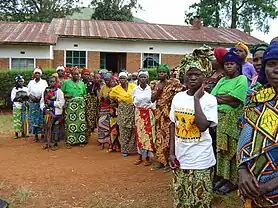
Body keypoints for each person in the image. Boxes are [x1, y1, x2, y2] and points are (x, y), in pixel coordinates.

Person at [169, 53, 218, 208]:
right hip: (181, 158)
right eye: (189, 74)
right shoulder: (178, 98)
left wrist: (196, 100)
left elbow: (203, 126)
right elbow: (173, 124)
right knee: (182, 200)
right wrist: (171, 153)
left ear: (204, 77)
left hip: (201, 160)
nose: (193, 78)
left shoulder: (210, 100)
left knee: (201, 201)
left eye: (197, 74)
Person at [237, 42, 278, 208]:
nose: (276, 70)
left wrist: (267, 186)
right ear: (264, 69)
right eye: (271, 64)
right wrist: (242, 171)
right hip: (250, 187)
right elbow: (243, 137)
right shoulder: (254, 99)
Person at [211, 52, 248, 194]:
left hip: (232, 120)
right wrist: (227, 97)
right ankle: (223, 177)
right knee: (221, 150)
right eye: (226, 64)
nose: (229, 66)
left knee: (232, 150)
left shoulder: (242, 79)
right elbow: (212, 97)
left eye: (232, 64)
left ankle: (233, 181)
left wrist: (220, 98)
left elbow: (236, 101)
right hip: (219, 119)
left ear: (237, 66)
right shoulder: (221, 81)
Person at [151, 64, 184, 171]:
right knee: (159, 137)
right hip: (159, 114)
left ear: (167, 74)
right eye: (159, 72)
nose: (161, 74)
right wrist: (158, 91)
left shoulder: (173, 83)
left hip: (169, 114)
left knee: (170, 137)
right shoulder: (155, 84)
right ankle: (161, 161)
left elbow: (183, 90)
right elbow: (152, 99)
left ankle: (170, 161)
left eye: (163, 72)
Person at [110, 71, 137, 157]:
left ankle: (132, 149)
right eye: (121, 78)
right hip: (122, 111)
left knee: (132, 129)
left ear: (127, 79)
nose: (122, 80)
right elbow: (111, 98)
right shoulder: (115, 89)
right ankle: (124, 150)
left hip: (132, 110)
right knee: (123, 129)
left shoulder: (133, 87)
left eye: (124, 78)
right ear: (118, 79)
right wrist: (117, 102)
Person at [132, 70, 156, 166]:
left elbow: (153, 102)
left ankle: (147, 157)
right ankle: (139, 156)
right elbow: (133, 101)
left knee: (148, 135)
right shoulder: (135, 89)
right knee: (139, 134)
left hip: (148, 114)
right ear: (138, 78)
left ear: (147, 78)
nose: (143, 79)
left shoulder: (150, 89)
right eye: (141, 77)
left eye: (145, 77)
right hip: (138, 113)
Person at [61, 68, 87, 147]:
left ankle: (81, 141)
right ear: (71, 75)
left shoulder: (82, 83)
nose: (76, 75)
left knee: (80, 123)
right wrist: (66, 96)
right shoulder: (66, 83)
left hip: (80, 107)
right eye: (74, 74)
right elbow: (61, 94)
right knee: (70, 123)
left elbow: (84, 94)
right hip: (70, 107)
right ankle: (70, 141)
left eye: (78, 74)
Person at [40, 76, 65, 151]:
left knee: (56, 129)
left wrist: (52, 103)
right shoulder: (45, 91)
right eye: (50, 81)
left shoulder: (59, 92)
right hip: (48, 113)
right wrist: (44, 109)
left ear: (56, 82)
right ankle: (47, 143)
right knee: (47, 128)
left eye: (53, 81)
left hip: (57, 114)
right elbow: (42, 102)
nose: (52, 83)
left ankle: (55, 143)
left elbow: (61, 103)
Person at [27, 68, 48, 142]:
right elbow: (28, 92)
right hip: (33, 104)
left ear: (40, 74)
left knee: (41, 119)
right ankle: (35, 135)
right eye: (36, 73)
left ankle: (42, 134)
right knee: (33, 120)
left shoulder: (44, 82)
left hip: (41, 103)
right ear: (34, 74)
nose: (37, 74)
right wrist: (31, 96)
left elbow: (46, 91)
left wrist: (40, 97)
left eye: (38, 73)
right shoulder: (31, 82)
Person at [10, 74, 28, 139]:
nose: (21, 82)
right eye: (19, 81)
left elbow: (28, 97)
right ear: (17, 82)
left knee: (24, 119)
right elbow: (13, 99)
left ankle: (23, 133)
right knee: (17, 120)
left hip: (23, 106)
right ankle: (16, 133)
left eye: (22, 81)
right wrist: (19, 98)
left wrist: (25, 100)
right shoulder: (14, 89)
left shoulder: (26, 89)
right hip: (16, 106)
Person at [82, 68, 98, 137]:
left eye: (88, 74)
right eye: (85, 74)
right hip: (83, 101)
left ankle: (89, 131)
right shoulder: (80, 82)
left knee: (90, 116)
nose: (87, 76)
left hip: (91, 102)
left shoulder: (93, 83)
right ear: (82, 75)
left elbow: (95, 94)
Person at [98, 73, 112, 150]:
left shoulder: (115, 88)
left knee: (111, 126)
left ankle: (110, 142)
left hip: (112, 109)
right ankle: (102, 142)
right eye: (105, 80)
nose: (107, 82)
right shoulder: (103, 88)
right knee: (101, 124)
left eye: (108, 80)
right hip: (104, 108)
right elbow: (100, 99)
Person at [109, 76, 121, 152]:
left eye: (116, 81)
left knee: (119, 129)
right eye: (112, 81)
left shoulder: (120, 91)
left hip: (119, 112)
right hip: (112, 113)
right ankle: (113, 146)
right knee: (113, 128)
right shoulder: (110, 91)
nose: (114, 83)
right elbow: (108, 102)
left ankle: (119, 146)